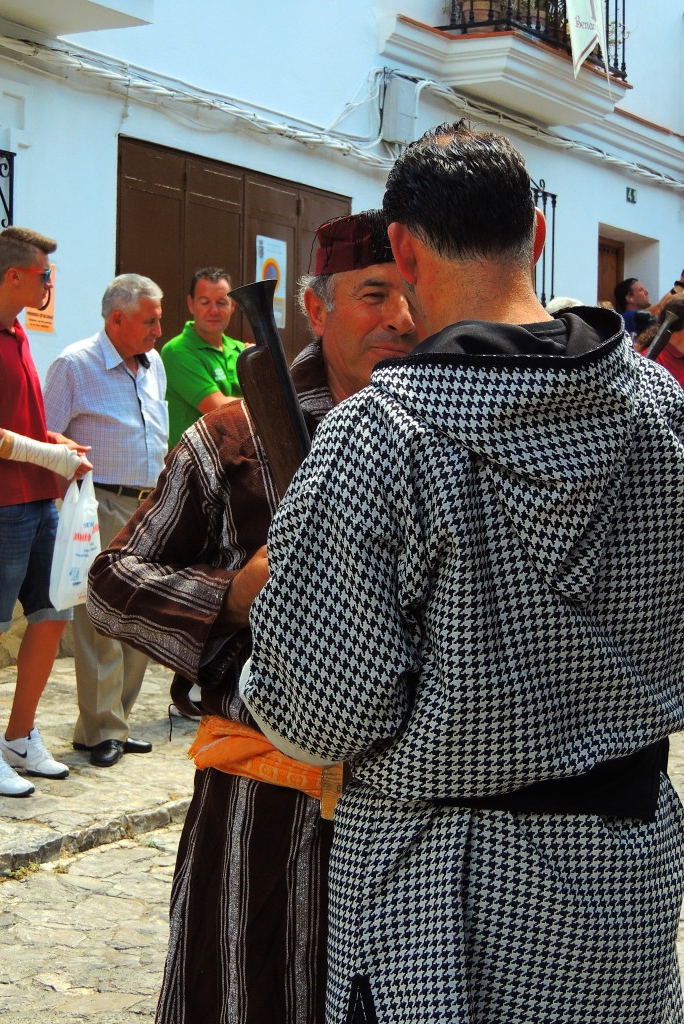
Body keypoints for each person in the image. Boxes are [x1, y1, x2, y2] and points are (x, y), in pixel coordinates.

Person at [243, 122, 684, 1024]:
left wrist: (262, 670)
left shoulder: (379, 435)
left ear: (402, 250)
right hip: (625, 883)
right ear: (539, 233)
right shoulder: (664, 413)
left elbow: (322, 712)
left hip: (439, 894)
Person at [86, 210, 419, 1024]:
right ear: (318, 308)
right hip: (255, 818)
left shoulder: (440, 437)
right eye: (375, 294)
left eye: (413, 296)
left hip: (408, 831)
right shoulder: (231, 438)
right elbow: (111, 582)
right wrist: (233, 594)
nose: (401, 319)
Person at [0, 226, 91, 798]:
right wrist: (46, 452)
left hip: (35, 496)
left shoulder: (15, 332)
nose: (50, 282)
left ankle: (19, 736)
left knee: (52, 613)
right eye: (44, 274)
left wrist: (52, 442)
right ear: (15, 276)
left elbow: (16, 422)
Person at [44, 274, 168, 768]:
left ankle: (113, 720)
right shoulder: (74, 364)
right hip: (100, 503)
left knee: (141, 617)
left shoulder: (153, 363)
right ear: (117, 319)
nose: (159, 329)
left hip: (150, 504)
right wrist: (70, 504)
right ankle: (102, 730)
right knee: (100, 621)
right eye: (150, 319)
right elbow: (46, 434)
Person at [161, 267, 244, 447]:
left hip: (234, 466)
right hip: (194, 469)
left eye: (221, 302)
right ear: (191, 304)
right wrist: (263, 401)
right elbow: (219, 408)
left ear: (233, 306)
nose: (214, 310)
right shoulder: (177, 351)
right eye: (205, 302)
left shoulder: (241, 351)